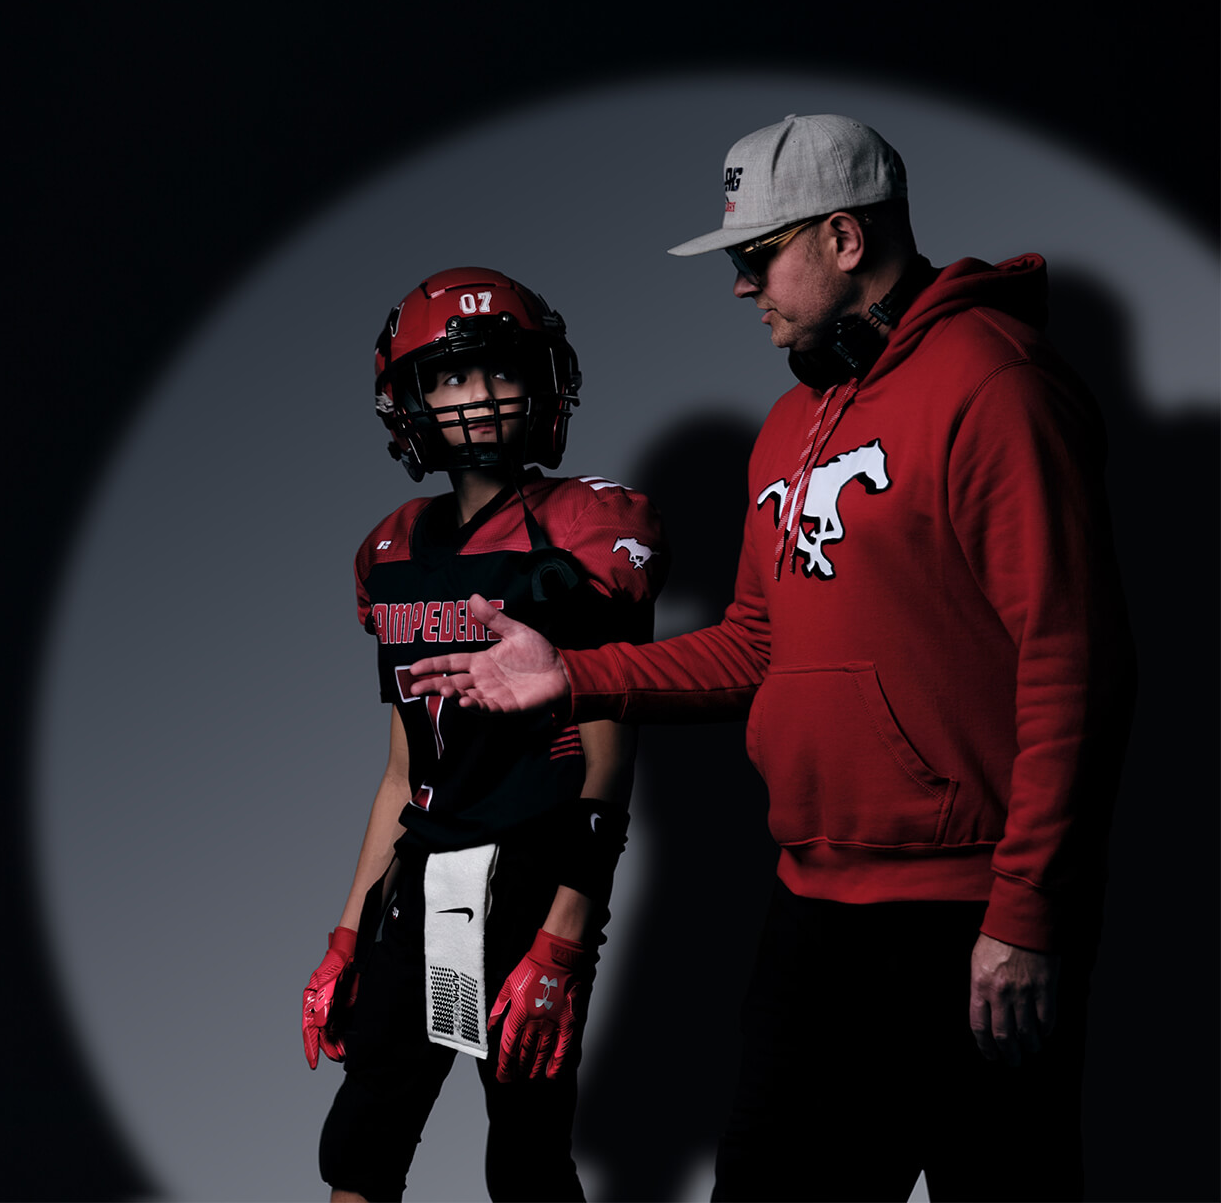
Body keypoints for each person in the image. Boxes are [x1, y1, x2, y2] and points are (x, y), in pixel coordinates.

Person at [410, 116, 1136, 1200]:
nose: (743, 286)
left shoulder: (998, 387)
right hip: (813, 906)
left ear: (845, 238)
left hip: (968, 918)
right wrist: (575, 673)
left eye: (758, 256)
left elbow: (1075, 662)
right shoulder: (793, 420)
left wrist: (1025, 911)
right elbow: (757, 643)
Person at [302, 266, 669, 1202]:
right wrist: (346, 935)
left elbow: (607, 764)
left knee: (527, 1158)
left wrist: (565, 941)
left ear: (541, 381)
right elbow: (401, 771)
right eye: (451, 378)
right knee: (363, 1143)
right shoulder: (390, 547)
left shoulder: (584, 522)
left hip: (531, 878)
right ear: (409, 398)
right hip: (425, 889)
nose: (478, 397)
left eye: (500, 371)